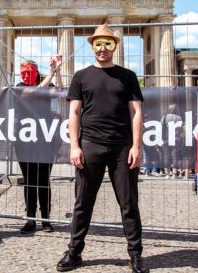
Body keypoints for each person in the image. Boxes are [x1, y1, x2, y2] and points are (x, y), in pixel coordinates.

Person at [56, 24, 146, 273]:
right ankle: (74, 251)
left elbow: (136, 112)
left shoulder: (127, 76)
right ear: (92, 46)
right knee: (82, 203)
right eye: (98, 43)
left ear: (114, 46)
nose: (103, 48)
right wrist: (74, 145)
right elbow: (73, 111)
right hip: (90, 146)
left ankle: (136, 255)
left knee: (129, 204)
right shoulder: (81, 76)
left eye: (108, 43)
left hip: (122, 147)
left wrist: (137, 146)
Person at [16, 56, 62, 234]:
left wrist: (56, 70)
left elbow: (58, 91)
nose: (26, 75)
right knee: (30, 181)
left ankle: (46, 219)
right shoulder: (20, 86)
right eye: (24, 72)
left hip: (44, 139)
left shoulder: (47, 84)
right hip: (24, 140)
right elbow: (34, 92)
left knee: (43, 180)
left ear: (35, 72)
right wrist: (50, 74)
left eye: (29, 72)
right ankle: (30, 219)